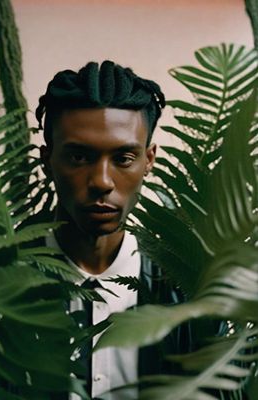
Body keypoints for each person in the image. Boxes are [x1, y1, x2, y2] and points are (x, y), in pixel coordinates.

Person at [35, 61, 246, 400]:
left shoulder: (188, 291)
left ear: (149, 160)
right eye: (78, 157)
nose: (102, 181)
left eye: (123, 158)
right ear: (47, 160)